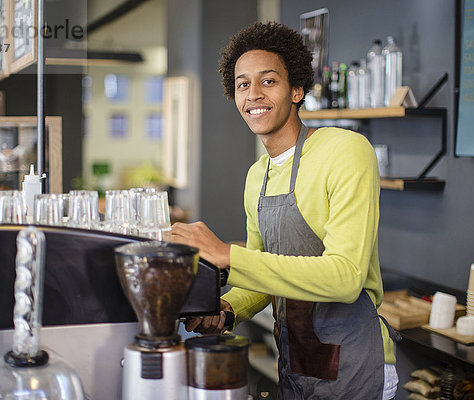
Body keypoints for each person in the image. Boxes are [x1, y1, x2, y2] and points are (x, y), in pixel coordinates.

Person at [171, 22, 399, 399]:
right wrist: (227, 309)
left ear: (296, 90)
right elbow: (262, 269)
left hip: (356, 369)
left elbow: (345, 277)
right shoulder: (257, 175)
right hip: (294, 367)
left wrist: (227, 254)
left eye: (268, 81)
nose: (253, 94)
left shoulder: (346, 150)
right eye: (243, 84)